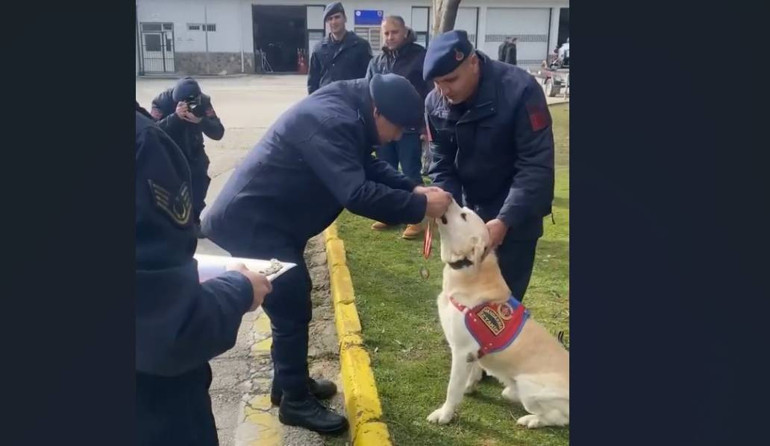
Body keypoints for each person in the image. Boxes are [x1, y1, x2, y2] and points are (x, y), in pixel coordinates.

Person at [201, 74, 452, 435]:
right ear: (378, 111)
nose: (398, 137)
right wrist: (419, 207)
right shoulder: (332, 120)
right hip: (253, 221)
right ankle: (294, 401)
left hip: (275, 217)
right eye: (397, 128)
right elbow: (356, 193)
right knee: (290, 303)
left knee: (289, 301)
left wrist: (412, 188)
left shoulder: (353, 108)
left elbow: (364, 164)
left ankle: (288, 382)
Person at [135, 102, 273, 446]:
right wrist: (239, 288)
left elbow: (217, 131)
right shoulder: (143, 143)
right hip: (152, 412)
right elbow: (169, 327)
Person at [423, 30, 555, 303]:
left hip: (516, 217)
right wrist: (452, 211)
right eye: (437, 83)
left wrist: (505, 220)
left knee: (502, 306)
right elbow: (441, 162)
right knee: (465, 302)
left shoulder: (521, 90)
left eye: (451, 80)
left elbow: (535, 165)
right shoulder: (435, 102)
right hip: (470, 213)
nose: (444, 90)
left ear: (473, 62)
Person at [365, 15, 430, 239]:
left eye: (394, 32)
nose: (390, 37)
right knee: (386, 172)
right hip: (382, 128)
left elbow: (430, 92)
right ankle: (391, 215)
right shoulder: (376, 62)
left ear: (404, 32)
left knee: (410, 171)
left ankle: (416, 218)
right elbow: (368, 93)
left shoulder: (420, 57)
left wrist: (425, 126)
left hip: (409, 128)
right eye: (386, 33)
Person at [151, 77, 224, 238]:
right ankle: (169, 223)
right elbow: (151, 132)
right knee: (168, 189)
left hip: (194, 149)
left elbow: (218, 132)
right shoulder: (161, 102)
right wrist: (175, 117)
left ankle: (194, 220)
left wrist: (200, 121)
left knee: (199, 183)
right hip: (170, 151)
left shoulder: (203, 101)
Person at [307, 2, 372, 94]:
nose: (334, 22)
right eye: (330, 19)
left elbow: (368, 78)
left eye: (337, 17)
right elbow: (312, 82)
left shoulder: (360, 46)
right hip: (326, 98)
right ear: (327, 22)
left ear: (345, 18)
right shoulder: (319, 49)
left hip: (351, 98)